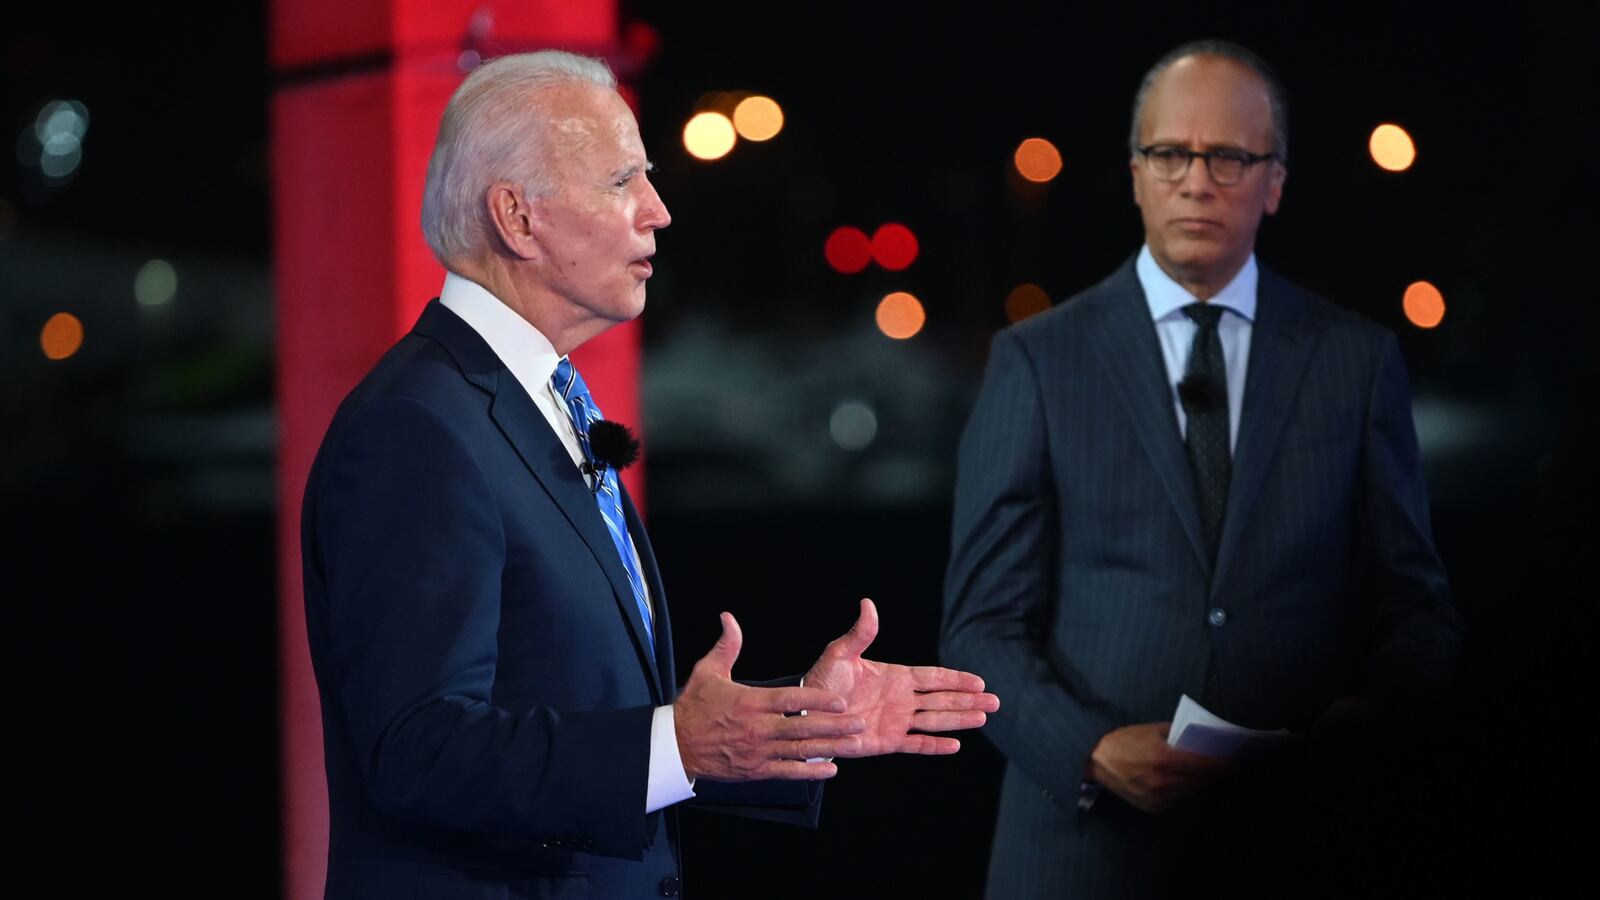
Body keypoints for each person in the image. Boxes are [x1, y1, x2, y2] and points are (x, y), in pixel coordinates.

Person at [301, 50, 999, 899]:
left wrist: (788, 722)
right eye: (622, 180)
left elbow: (579, 703)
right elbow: (419, 749)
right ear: (517, 218)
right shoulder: (417, 428)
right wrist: (680, 745)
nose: (659, 212)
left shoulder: (537, 398)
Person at [942, 39, 1460, 898]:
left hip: (1300, 845)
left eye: (1229, 156)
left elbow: (1416, 609)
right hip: (1082, 854)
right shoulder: (1036, 360)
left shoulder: (1356, 362)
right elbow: (978, 628)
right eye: (1171, 154)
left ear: (1277, 181)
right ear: (1137, 173)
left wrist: (1356, 735)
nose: (1197, 179)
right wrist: (1094, 753)